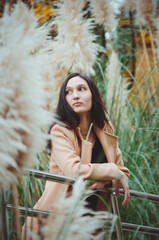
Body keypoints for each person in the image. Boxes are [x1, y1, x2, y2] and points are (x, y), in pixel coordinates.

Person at [22, 72, 130, 239]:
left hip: (93, 225)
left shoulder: (105, 129)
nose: (75, 96)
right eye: (68, 92)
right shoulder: (60, 131)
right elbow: (74, 170)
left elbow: (122, 171)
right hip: (55, 223)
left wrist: (103, 180)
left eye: (81, 89)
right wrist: (110, 170)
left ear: (93, 95)